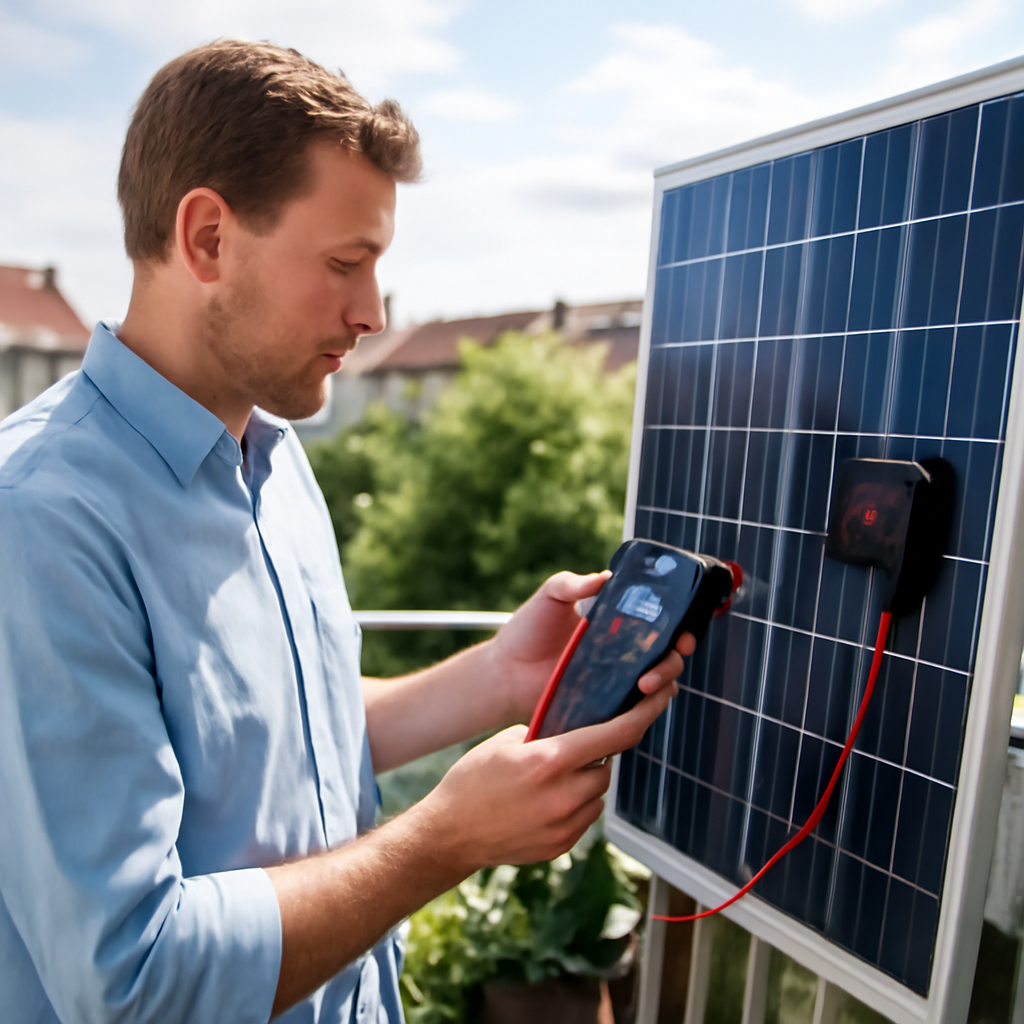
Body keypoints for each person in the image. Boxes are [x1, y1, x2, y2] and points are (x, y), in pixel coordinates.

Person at [0, 40, 693, 1024]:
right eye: (343, 263)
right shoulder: (38, 522)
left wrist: (497, 674)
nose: (371, 312)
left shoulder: (276, 459)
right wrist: (443, 838)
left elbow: (286, 740)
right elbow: (133, 979)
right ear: (206, 239)